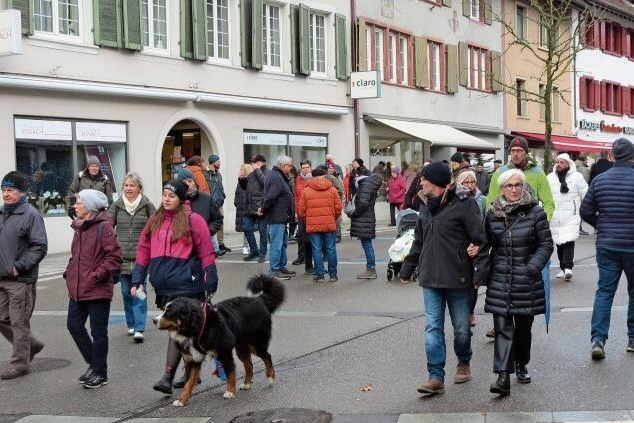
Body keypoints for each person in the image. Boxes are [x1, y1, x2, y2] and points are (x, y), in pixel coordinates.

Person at [398, 162, 489, 396]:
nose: (421, 182)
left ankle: (464, 362)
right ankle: (436, 376)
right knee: (432, 327)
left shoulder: (464, 204)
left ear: (437, 182)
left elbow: (480, 239)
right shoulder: (426, 205)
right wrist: (407, 268)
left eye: (424, 178)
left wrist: (479, 269)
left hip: (458, 277)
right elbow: (419, 240)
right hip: (430, 277)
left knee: (460, 328)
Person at [132, 179, 218, 395]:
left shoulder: (193, 220)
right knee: (184, 332)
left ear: (181, 198)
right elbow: (143, 249)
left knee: (176, 330)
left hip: (187, 284)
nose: (167, 199)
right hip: (163, 285)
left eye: (172, 196)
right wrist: (138, 278)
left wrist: (211, 277)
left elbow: (206, 250)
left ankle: (167, 376)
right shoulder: (155, 219)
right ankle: (190, 372)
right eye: (164, 195)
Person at [484, 169, 553, 396]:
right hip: (501, 280)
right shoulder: (492, 214)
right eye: (508, 186)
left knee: (523, 329)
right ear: (502, 188)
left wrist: (532, 268)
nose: (513, 189)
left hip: (527, 281)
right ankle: (503, 377)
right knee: (503, 329)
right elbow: (485, 244)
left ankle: (521, 363)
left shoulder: (535, 213)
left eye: (517, 185)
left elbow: (546, 245)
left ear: (523, 187)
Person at [486, 136, 554, 338]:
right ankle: (501, 321)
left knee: (530, 284)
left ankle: (524, 323)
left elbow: (548, 202)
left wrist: (541, 224)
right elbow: (491, 202)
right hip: (505, 235)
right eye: (512, 150)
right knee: (502, 280)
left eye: (519, 150)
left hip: (530, 238)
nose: (515, 154)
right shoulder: (500, 172)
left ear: (526, 153)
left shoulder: (537, 173)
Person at [580, 137, 634, 360]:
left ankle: (598, 339)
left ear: (612, 156)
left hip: (607, 244)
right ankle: (632, 339)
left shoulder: (600, 180)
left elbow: (585, 211)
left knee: (604, 292)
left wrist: (600, 224)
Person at [64, 189, 123, 389]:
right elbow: (76, 256)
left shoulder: (104, 226)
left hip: (97, 288)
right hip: (78, 287)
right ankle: (95, 365)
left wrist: (96, 275)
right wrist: (69, 272)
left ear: (89, 206)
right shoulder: (80, 226)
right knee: (74, 325)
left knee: (98, 332)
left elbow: (114, 257)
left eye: (78, 202)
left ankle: (100, 372)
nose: (75, 205)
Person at [0, 171, 48, 380]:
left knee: (19, 322)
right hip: (2, 277)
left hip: (20, 279)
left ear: (21, 192)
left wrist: (19, 266)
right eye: (3, 190)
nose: (6, 194)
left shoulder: (31, 215)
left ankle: (20, 364)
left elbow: (40, 246)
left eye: (10, 190)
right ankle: (32, 344)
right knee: (2, 318)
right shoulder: (2, 213)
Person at [108, 173, 156, 343]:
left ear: (139, 188)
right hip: (121, 258)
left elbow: (156, 228)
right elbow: (107, 227)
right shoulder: (117, 205)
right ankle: (131, 323)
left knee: (139, 291)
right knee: (126, 292)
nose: (129, 188)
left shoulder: (147, 206)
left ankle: (139, 327)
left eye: (132, 186)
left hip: (140, 258)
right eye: (126, 185)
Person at [546, 153, 588, 281]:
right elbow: (546, 195)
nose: (558, 164)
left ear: (568, 163)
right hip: (555, 215)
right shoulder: (550, 178)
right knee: (559, 242)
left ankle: (568, 267)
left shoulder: (577, 177)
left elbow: (585, 193)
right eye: (557, 162)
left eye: (561, 162)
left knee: (568, 240)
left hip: (572, 215)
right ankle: (563, 268)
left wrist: (584, 210)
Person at [297, 167, 342, 283]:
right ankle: (333, 275)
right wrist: (333, 218)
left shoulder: (306, 190)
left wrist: (308, 220)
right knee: (331, 249)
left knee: (316, 250)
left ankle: (320, 275)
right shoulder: (332, 189)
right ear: (324, 176)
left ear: (313, 176)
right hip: (329, 224)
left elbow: (301, 211)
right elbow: (338, 208)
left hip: (313, 225)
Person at [455, 170, 487, 328]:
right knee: (463, 282)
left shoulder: (483, 200)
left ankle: (470, 311)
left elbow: (487, 222)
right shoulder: (456, 200)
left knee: (475, 282)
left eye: (472, 182)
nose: (469, 185)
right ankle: (464, 313)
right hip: (462, 247)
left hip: (478, 245)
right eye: (465, 182)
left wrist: (482, 243)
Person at [259, 155, 296, 280]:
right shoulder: (276, 177)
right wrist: (263, 208)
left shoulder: (278, 176)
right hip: (277, 217)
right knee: (277, 244)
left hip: (281, 216)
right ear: (283, 165)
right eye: (290, 165)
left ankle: (280, 267)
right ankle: (274, 270)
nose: (291, 168)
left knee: (282, 244)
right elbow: (270, 197)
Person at [176, 167, 223, 256]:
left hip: (203, 247)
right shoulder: (176, 201)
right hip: (182, 250)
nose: (188, 185)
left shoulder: (206, 198)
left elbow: (218, 219)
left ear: (194, 181)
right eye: (184, 182)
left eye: (189, 181)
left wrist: (207, 231)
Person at [347, 171, 383, 279]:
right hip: (367, 218)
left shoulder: (365, 185)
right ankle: (370, 269)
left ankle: (371, 269)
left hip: (364, 218)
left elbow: (362, 202)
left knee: (367, 244)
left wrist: (355, 213)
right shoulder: (371, 186)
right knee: (367, 243)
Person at [66, 155, 114, 219]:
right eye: (92, 166)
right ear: (88, 167)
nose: (94, 168)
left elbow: (109, 199)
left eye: (96, 166)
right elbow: (71, 193)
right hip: (83, 213)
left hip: (98, 215)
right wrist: (70, 208)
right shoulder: (80, 177)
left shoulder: (104, 179)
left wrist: (108, 214)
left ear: (99, 167)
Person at [243, 154, 269, 263]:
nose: (252, 164)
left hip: (261, 207)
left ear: (261, 162)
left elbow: (265, 183)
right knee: (247, 228)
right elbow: (245, 188)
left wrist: (258, 170)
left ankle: (262, 254)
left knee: (263, 232)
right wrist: (241, 179)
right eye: (252, 162)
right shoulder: (252, 174)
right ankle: (254, 251)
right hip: (250, 207)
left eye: (254, 162)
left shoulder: (268, 172)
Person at [291, 160, 315, 274]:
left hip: (313, 213)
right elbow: (296, 197)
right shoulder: (298, 180)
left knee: (314, 239)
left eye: (307, 167)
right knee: (302, 237)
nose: (305, 169)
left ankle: (317, 263)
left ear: (310, 168)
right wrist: (296, 211)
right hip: (301, 213)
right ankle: (303, 259)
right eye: (303, 167)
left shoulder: (314, 179)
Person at [206, 154, 230, 254]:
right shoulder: (205, 174)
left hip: (219, 203)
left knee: (220, 223)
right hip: (210, 203)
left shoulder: (218, 174)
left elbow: (221, 186)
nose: (219, 163)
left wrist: (223, 196)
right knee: (208, 223)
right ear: (213, 162)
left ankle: (221, 244)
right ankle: (211, 245)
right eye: (218, 161)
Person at [234, 163, 253, 254]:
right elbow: (237, 194)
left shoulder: (251, 181)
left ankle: (248, 246)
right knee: (246, 228)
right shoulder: (240, 181)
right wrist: (237, 204)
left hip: (248, 208)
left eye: (241, 170)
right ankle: (246, 246)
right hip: (241, 208)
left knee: (248, 228)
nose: (239, 172)